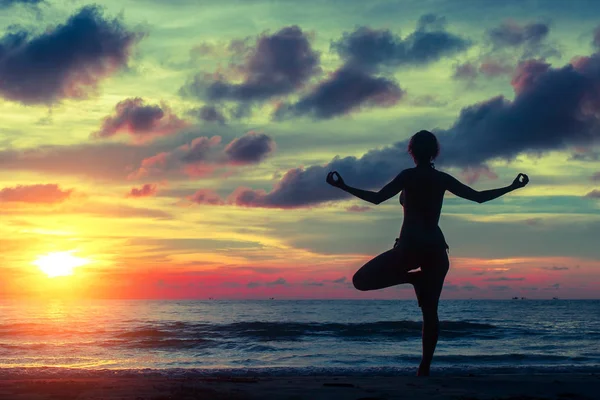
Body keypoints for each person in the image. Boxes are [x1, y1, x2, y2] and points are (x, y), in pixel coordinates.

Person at [325, 130, 529, 376]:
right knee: (430, 312)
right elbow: (478, 198)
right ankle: (424, 368)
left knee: (360, 280)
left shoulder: (408, 176)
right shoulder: (441, 179)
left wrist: (343, 186)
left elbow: (377, 199)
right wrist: (511, 187)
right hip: (436, 250)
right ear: (435, 152)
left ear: (411, 151)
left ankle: (413, 278)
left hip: (411, 248)